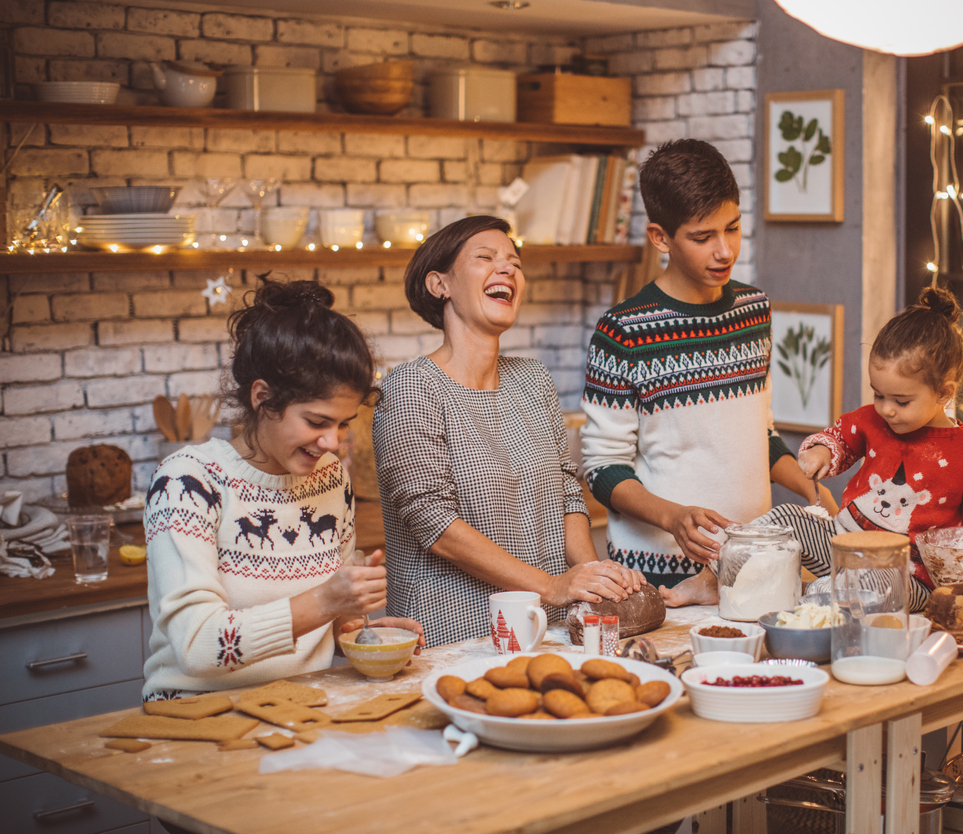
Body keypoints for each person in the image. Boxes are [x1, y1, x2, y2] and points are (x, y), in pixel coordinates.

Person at [581, 139, 837, 607]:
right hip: (656, 574)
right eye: (703, 238)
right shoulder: (622, 332)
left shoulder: (753, 308)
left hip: (752, 563)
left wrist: (809, 488)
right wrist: (674, 518)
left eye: (733, 228)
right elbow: (602, 469)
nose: (725, 251)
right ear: (661, 237)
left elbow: (760, 433)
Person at [142, 280, 423, 701]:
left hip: (299, 704)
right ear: (262, 398)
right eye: (316, 422)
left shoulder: (329, 476)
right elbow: (196, 646)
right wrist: (326, 602)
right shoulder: (187, 482)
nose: (332, 443)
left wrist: (362, 635)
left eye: (343, 423)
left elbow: (324, 622)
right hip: (194, 715)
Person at [375, 215, 643, 648]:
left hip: (551, 629)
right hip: (456, 637)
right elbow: (434, 523)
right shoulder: (410, 387)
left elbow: (566, 492)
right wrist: (552, 586)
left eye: (514, 262)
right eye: (486, 258)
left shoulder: (533, 380)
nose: (507, 269)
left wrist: (592, 584)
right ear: (439, 284)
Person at [790, 285, 963, 611]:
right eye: (878, 395)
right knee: (785, 518)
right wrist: (822, 452)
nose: (886, 409)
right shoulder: (872, 420)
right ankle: (733, 573)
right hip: (843, 544)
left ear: (943, 393)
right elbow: (840, 438)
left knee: (872, 586)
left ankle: (830, 597)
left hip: (907, 576)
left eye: (901, 400)